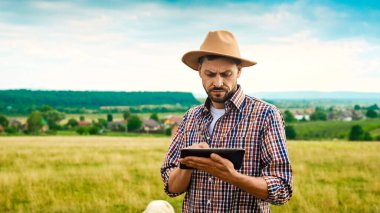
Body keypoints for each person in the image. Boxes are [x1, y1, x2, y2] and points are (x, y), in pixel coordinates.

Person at [161, 30, 292, 212]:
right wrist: (188, 164)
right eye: (210, 74)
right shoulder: (190, 117)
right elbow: (171, 188)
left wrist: (233, 177)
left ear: (239, 71)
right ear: (199, 71)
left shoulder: (266, 115)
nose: (218, 82)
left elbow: (282, 189)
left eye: (226, 74)